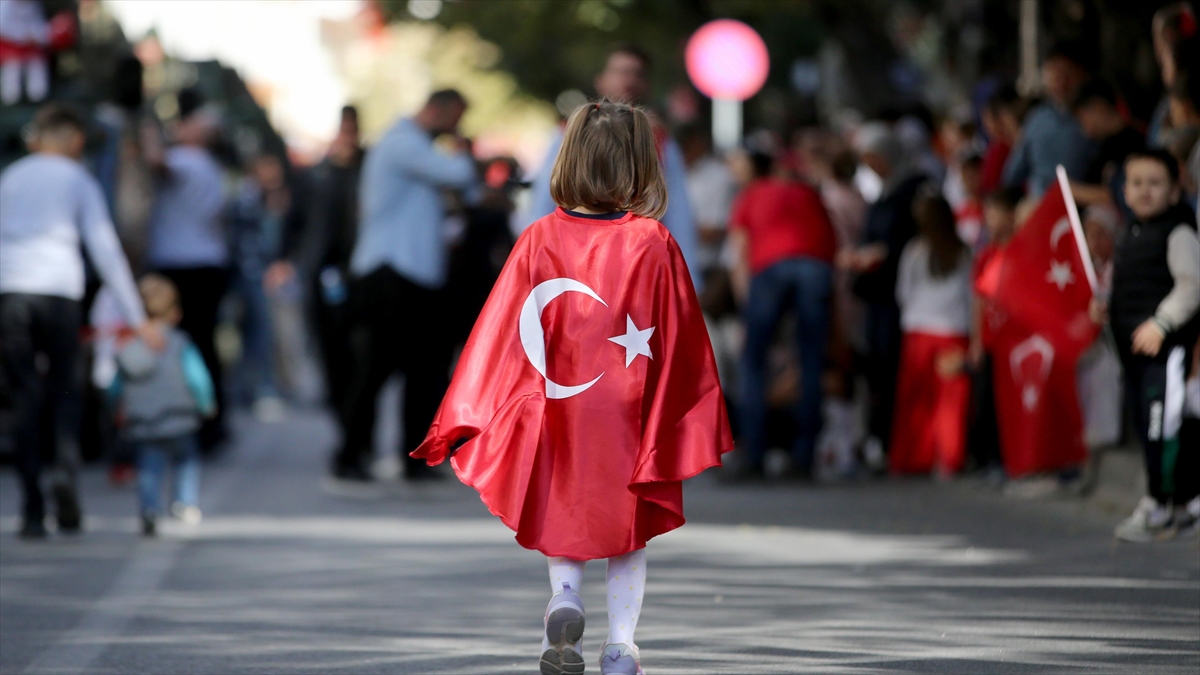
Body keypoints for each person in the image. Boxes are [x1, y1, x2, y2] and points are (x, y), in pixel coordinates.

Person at [412, 100, 731, 675]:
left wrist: (467, 413)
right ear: (642, 165)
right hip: (629, 412)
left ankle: (564, 598)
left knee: (564, 508)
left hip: (560, 406)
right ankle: (621, 647)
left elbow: (501, 331)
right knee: (628, 532)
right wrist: (688, 416)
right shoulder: (653, 242)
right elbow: (683, 335)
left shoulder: (538, 238)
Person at [0, 103, 156, 538]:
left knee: (23, 397)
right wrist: (136, 316)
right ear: (74, 141)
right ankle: (66, 473)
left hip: (11, 291)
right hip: (61, 292)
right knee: (66, 391)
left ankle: (32, 508)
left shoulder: (11, 177)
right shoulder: (78, 179)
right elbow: (104, 247)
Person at [334, 90, 477, 484]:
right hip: (391, 275)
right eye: (454, 120)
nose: (455, 130)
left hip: (408, 275)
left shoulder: (407, 146)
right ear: (439, 111)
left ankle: (411, 457)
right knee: (377, 370)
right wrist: (463, 148)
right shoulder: (402, 144)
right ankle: (350, 454)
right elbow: (460, 175)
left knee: (422, 370)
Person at [520, 45, 700, 287]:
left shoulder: (661, 143)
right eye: (621, 71)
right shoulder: (569, 135)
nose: (628, 80)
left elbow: (679, 215)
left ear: (646, 84)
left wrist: (686, 278)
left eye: (636, 73)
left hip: (635, 266)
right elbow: (544, 199)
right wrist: (534, 262)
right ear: (601, 80)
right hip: (572, 263)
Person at [1098, 149, 1200, 541]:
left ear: (1175, 192)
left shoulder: (1178, 232)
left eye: (1155, 183)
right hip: (1135, 356)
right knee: (1146, 427)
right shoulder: (1128, 233)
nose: (1145, 191)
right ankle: (1172, 501)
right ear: (1125, 190)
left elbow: (1191, 286)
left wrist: (1162, 323)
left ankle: (1163, 502)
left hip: (1167, 352)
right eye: (1137, 183)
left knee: (1165, 428)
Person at [728, 141, 837, 480]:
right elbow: (831, 245)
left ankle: (754, 454)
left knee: (753, 361)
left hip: (771, 270)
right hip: (816, 269)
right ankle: (804, 456)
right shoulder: (809, 194)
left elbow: (739, 254)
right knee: (810, 361)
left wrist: (749, 306)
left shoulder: (752, 195)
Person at [270, 105, 362, 437]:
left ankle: (352, 423)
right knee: (328, 344)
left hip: (357, 272)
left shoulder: (364, 170)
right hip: (321, 271)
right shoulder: (315, 175)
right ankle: (342, 412)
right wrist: (283, 259)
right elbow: (293, 222)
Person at [841, 122, 927, 469]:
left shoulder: (913, 190)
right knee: (877, 366)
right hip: (877, 295)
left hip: (901, 294)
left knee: (893, 364)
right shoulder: (885, 192)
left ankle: (897, 441)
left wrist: (883, 252)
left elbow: (908, 237)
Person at [144, 103, 230, 450]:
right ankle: (210, 422)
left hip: (182, 267)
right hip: (207, 265)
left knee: (179, 345)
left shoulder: (188, 161)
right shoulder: (211, 166)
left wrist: (149, 132)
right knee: (205, 344)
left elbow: (156, 163)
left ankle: (187, 422)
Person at [109, 275, 215, 537]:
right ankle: (184, 502)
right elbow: (197, 378)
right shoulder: (180, 344)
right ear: (175, 313)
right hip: (180, 417)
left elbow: (116, 386)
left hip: (144, 420)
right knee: (186, 462)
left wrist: (116, 408)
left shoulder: (130, 347)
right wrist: (206, 403)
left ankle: (150, 509)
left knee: (148, 467)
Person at [890, 191, 973, 476]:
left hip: (919, 332)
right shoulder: (964, 253)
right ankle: (948, 458)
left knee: (916, 401)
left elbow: (903, 292)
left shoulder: (915, 251)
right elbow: (971, 296)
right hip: (953, 332)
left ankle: (913, 458)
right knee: (950, 402)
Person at [966, 187, 1021, 476]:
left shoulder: (1022, 252)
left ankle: (1011, 460)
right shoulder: (986, 255)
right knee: (987, 402)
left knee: (1011, 405)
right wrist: (976, 341)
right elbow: (979, 300)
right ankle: (991, 460)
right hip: (990, 340)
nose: (989, 219)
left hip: (1014, 342)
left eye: (995, 213)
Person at [1002, 43, 1096, 198]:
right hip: (1040, 202)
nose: (1061, 84)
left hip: (1085, 202)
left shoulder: (1094, 117)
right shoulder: (1036, 120)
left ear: (1081, 74)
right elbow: (1013, 175)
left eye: (1067, 75)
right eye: (1055, 76)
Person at [1070, 79, 1145, 216]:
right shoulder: (1100, 145)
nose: (1083, 128)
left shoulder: (1133, 142)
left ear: (1098, 106)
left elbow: (1118, 193)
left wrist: (1072, 192)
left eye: (1082, 117)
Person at [679, 124, 736, 278]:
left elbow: (715, 231)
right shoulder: (673, 174)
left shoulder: (719, 177)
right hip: (678, 264)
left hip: (706, 266)